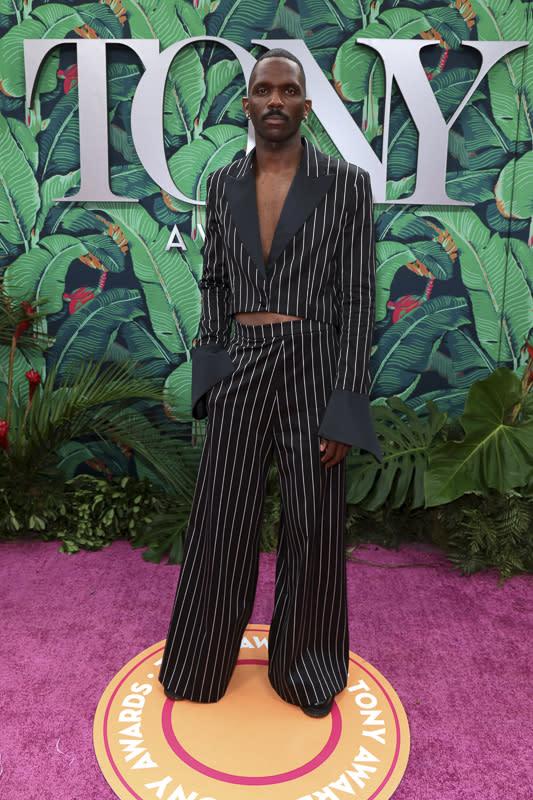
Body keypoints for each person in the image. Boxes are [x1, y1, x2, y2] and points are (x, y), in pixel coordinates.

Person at [159, 48, 381, 718]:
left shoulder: (344, 183)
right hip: (242, 358)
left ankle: (306, 671)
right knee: (220, 519)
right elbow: (214, 284)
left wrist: (344, 407)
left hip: (315, 362)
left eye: (288, 90)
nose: (275, 101)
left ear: (305, 106)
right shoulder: (223, 183)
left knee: (312, 526)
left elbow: (356, 300)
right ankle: (197, 664)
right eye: (263, 90)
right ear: (248, 104)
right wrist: (209, 372)